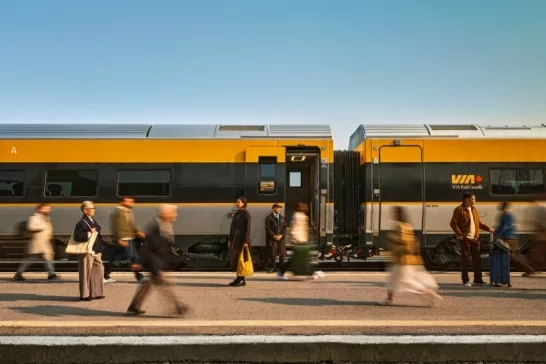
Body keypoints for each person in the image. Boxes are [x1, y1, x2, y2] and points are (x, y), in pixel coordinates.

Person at [127, 204, 187, 316]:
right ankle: (178, 307)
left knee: (148, 285)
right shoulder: (156, 228)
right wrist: (141, 263)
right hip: (155, 262)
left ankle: (134, 306)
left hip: (158, 262)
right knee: (166, 286)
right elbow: (147, 248)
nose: (175, 215)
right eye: (173, 213)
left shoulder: (165, 225)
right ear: (165, 214)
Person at [378, 206, 442, 306]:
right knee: (392, 279)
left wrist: (391, 237)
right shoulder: (408, 225)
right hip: (406, 258)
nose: (392, 215)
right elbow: (412, 242)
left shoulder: (399, 226)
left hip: (401, 259)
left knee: (406, 281)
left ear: (398, 214)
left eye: (394, 213)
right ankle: (389, 299)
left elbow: (402, 240)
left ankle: (428, 293)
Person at [450, 192, 494, 287]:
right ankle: (465, 280)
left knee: (477, 260)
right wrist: (460, 235)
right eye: (473, 199)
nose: (475, 200)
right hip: (465, 238)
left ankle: (478, 280)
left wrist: (488, 228)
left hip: (475, 238)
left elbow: (479, 223)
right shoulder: (459, 210)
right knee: (465, 260)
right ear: (467, 199)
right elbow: (453, 223)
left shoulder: (474, 210)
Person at [277, 202, 325, 280]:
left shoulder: (302, 216)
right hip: (299, 241)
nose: (307, 208)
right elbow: (295, 228)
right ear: (300, 208)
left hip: (302, 241)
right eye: (304, 207)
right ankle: (313, 272)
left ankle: (281, 272)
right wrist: (297, 239)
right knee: (305, 258)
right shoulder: (297, 216)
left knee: (296, 259)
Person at [13, 203, 60, 281]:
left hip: (44, 242)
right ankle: (18, 274)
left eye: (49, 209)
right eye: (46, 209)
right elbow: (30, 227)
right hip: (37, 243)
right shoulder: (34, 217)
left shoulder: (46, 218)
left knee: (48, 257)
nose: (48, 210)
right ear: (39, 209)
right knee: (30, 259)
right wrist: (42, 226)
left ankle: (51, 274)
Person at [104, 197, 146, 283]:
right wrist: (118, 239)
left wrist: (138, 232)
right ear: (122, 202)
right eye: (129, 201)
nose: (131, 203)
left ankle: (104, 275)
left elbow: (132, 224)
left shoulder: (129, 212)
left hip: (129, 237)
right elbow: (115, 227)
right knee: (134, 257)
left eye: (132, 202)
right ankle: (139, 277)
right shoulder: (117, 213)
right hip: (123, 238)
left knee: (114, 257)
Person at [74, 201, 105, 301]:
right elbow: (77, 236)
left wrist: (100, 248)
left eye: (93, 208)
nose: (94, 210)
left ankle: (96, 292)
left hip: (95, 249)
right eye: (92, 208)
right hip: (87, 251)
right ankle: (84, 295)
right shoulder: (81, 223)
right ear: (85, 211)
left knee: (99, 269)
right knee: (85, 272)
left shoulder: (92, 220)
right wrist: (88, 232)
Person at [494, 201, 535, 276]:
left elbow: (506, 226)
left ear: (504, 207)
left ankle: (529, 269)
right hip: (510, 238)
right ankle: (498, 271)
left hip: (509, 239)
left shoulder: (508, 215)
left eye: (502, 206)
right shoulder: (507, 215)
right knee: (512, 257)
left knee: (513, 257)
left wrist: (495, 231)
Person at [228, 197, 251, 287]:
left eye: (238, 202)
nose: (237, 203)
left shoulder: (246, 214)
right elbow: (232, 228)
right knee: (237, 260)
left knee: (242, 260)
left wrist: (246, 241)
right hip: (235, 240)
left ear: (243, 203)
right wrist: (230, 239)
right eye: (236, 202)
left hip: (242, 240)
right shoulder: (237, 213)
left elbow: (248, 229)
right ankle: (238, 278)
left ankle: (242, 279)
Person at [265, 203, 286, 273]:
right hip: (272, 238)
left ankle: (282, 268)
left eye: (280, 208)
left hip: (281, 238)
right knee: (273, 254)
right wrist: (273, 236)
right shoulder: (269, 218)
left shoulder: (282, 218)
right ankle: (273, 268)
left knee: (281, 254)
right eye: (277, 208)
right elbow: (267, 228)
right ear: (273, 208)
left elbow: (284, 229)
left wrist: (281, 235)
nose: (279, 209)